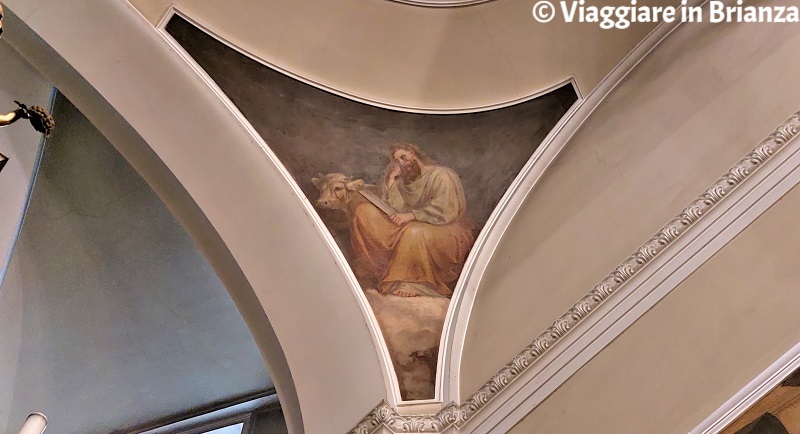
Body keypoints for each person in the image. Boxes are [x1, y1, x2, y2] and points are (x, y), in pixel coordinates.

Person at [351, 143, 474, 298]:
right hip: (414, 224)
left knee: (413, 231)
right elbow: (395, 208)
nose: (402, 163)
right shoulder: (403, 182)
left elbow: (445, 210)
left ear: (413, 153)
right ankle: (378, 270)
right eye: (397, 161)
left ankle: (414, 283)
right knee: (364, 211)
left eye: (404, 157)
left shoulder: (440, 175)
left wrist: (412, 216)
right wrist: (391, 180)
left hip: (447, 229)